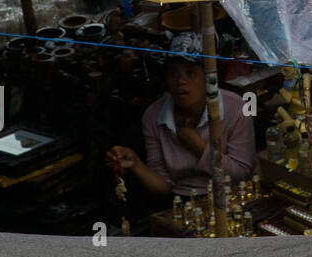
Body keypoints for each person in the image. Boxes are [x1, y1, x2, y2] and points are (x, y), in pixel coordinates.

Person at [106, 55, 255, 197]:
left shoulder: (235, 108)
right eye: (173, 74)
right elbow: (163, 185)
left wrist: (200, 148)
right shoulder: (153, 115)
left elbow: (242, 175)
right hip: (180, 200)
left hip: (230, 195)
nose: (181, 81)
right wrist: (136, 164)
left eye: (190, 73)